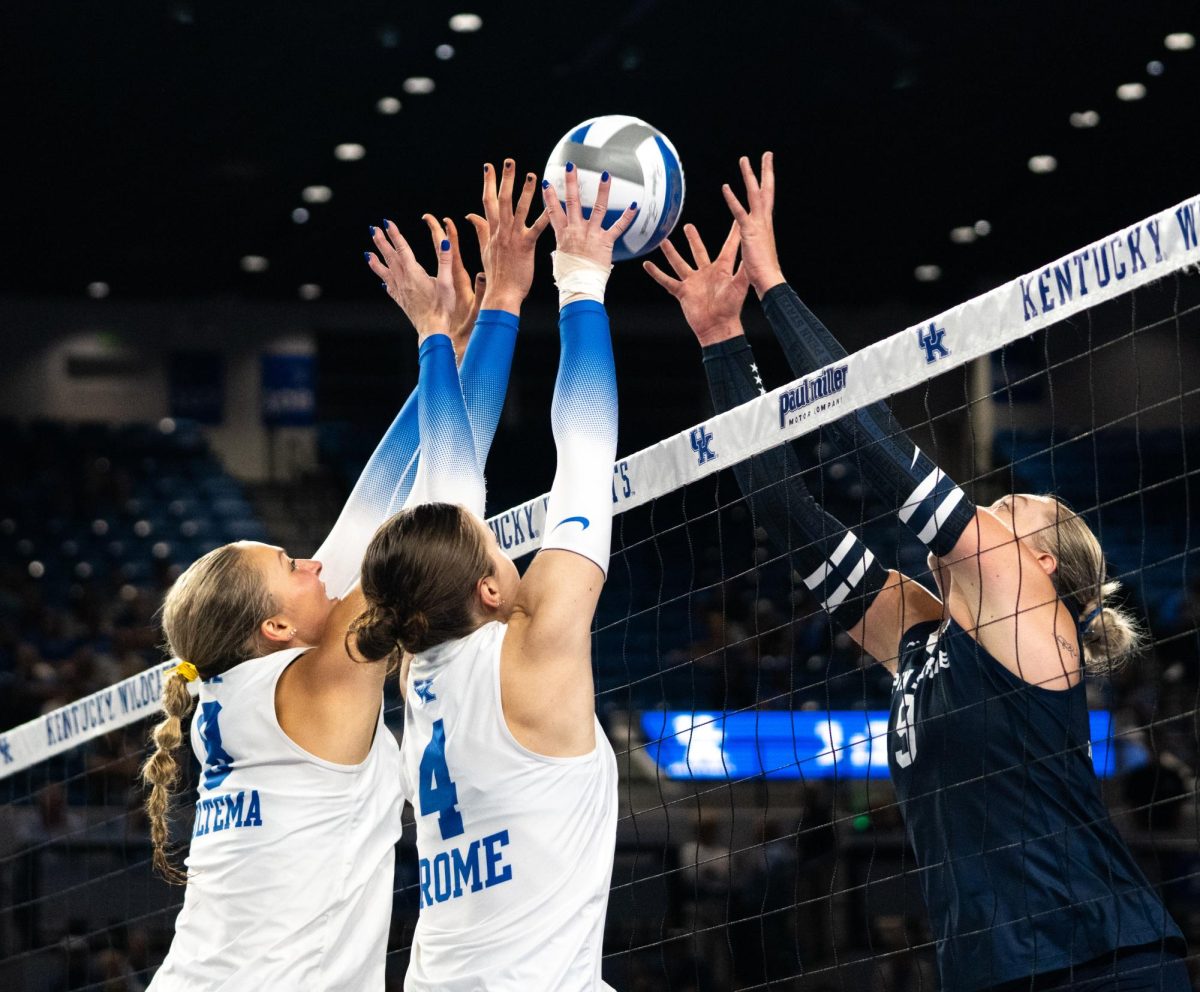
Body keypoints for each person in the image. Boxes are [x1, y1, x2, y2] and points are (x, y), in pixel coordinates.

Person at [644, 153, 1188, 991]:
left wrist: (776, 286)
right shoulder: (920, 637)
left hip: (1100, 961)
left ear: (1041, 564)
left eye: (1013, 511)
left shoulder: (1033, 616)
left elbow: (868, 437)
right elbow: (790, 520)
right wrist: (723, 342)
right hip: (989, 969)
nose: (993, 509)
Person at [141, 158, 545, 990]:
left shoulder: (241, 687)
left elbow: (379, 494)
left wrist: (455, 343)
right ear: (274, 629)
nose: (317, 564)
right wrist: (491, 313)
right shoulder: (320, 679)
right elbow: (443, 511)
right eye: (292, 567)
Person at [352, 164, 636, 991]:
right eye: (494, 542)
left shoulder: (418, 658)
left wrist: (469, 323)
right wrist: (579, 277)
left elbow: (448, 485)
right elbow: (583, 445)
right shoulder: (535, 644)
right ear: (485, 589)